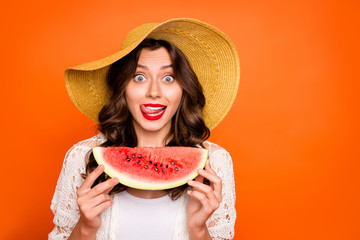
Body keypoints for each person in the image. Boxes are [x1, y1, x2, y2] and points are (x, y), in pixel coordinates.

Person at [49, 18, 240, 240]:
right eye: (139, 77)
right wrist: (86, 227)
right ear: (122, 88)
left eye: (169, 78)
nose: (154, 92)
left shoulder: (214, 162)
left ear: (184, 90)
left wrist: (198, 230)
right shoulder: (83, 157)